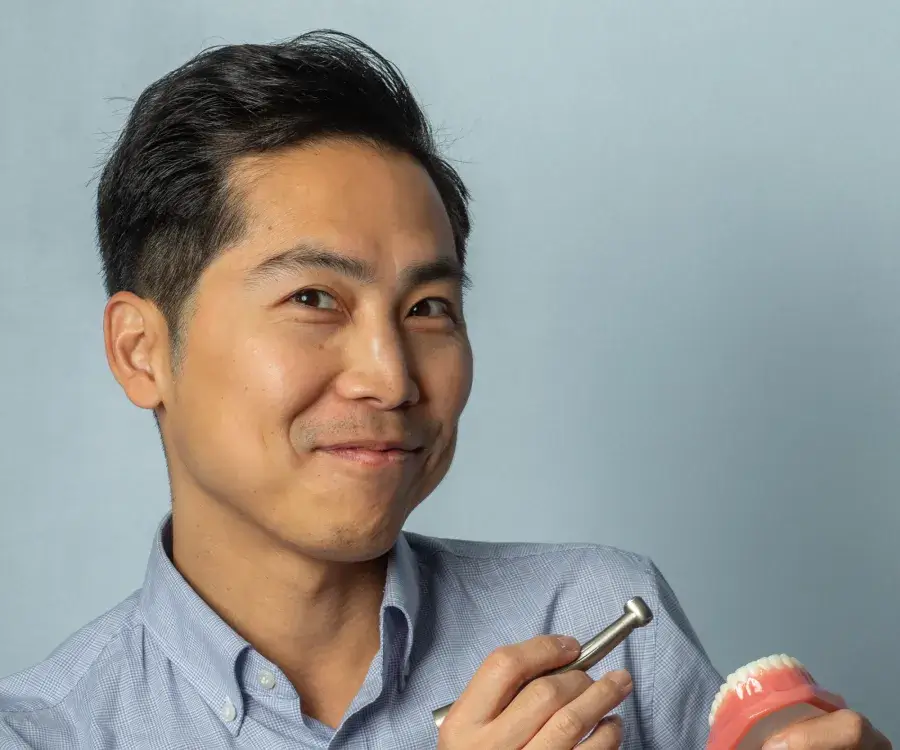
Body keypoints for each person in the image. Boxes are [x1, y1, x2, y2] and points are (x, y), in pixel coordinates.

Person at [0, 30, 890, 750]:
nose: (391, 375)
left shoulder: (596, 615)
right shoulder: (51, 731)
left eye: (429, 307)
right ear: (141, 349)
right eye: (314, 298)